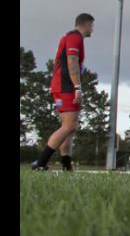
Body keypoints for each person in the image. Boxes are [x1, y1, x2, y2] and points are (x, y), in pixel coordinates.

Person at [32, 13, 95, 171]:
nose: (92, 29)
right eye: (92, 26)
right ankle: (40, 163)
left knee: (68, 127)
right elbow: (71, 61)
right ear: (86, 24)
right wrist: (77, 88)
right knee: (69, 126)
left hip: (60, 86)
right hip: (65, 86)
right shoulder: (75, 37)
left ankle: (66, 166)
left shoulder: (70, 37)